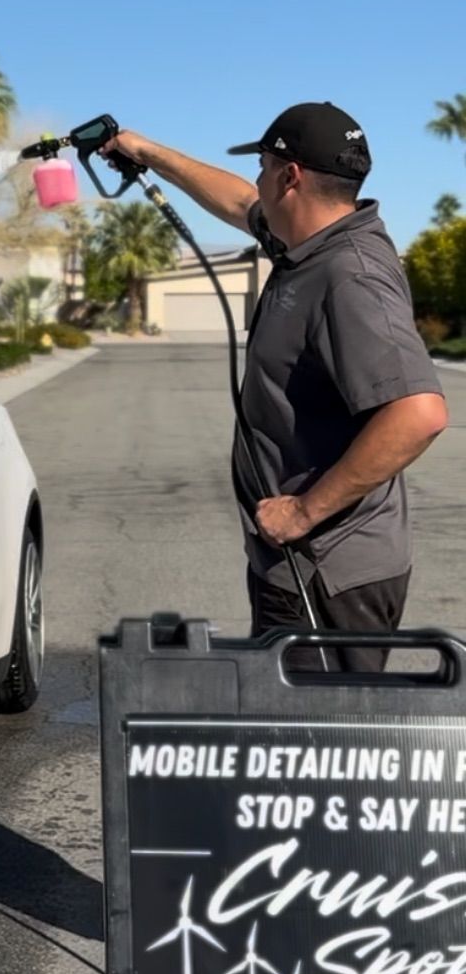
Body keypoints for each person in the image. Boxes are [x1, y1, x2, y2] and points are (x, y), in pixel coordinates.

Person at [101, 103, 448, 667]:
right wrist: (149, 154)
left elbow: (419, 413)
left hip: (328, 569)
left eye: (264, 166)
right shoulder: (309, 243)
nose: (257, 179)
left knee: (317, 746)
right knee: (293, 739)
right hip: (295, 561)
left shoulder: (350, 275)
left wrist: (305, 512)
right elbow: (240, 201)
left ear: (291, 176)